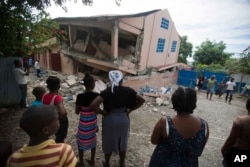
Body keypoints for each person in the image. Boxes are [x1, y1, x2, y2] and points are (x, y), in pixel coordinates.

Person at [90, 70, 145, 167]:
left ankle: (107, 163)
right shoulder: (128, 90)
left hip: (110, 120)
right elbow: (142, 100)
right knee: (123, 141)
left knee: (108, 141)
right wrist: (130, 110)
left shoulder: (106, 92)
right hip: (123, 119)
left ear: (110, 80)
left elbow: (93, 105)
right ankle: (122, 162)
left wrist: (103, 113)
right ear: (121, 80)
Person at [149, 87, 209, 167]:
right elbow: (199, 152)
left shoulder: (165, 122)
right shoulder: (204, 125)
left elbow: (154, 141)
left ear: (174, 101)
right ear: (194, 102)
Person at [7, 105, 77, 167]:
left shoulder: (13, 159)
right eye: (57, 119)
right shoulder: (63, 151)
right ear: (46, 130)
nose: (59, 121)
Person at [75, 73, 99, 167]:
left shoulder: (80, 97)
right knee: (93, 141)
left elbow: (77, 112)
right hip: (92, 123)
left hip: (83, 124)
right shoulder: (96, 96)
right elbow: (97, 110)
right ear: (92, 84)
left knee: (80, 141)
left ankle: (81, 162)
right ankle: (92, 161)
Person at [221, 98, 250, 167]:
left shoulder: (240, 121)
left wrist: (223, 150)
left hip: (240, 152)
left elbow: (231, 140)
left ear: (247, 106)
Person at [42, 76, 69, 143]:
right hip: (59, 119)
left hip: (50, 118)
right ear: (58, 86)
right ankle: (59, 148)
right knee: (60, 137)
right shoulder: (57, 98)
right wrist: (64, 113)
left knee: (56, 134)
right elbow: (63, 113)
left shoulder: (44, 95)